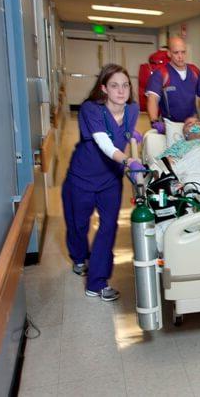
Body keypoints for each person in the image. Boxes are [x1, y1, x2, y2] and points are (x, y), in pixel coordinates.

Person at [62, 63, 143, 302]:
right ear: (104, 89)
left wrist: (132, 139)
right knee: (78, 224)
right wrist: (128, 160)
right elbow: (106, 144)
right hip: (82, 178)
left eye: (126, 85)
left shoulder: (133, 109)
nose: (121, 90)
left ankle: (97, 283)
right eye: (114, 85)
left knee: (108, 228)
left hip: (110, 179)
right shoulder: (90, 109)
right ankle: (79, 257)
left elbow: (124, 138)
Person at [145, 36, 200, 131]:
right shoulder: (161, 73)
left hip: (192, 125)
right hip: (169, 126)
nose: (180, 57)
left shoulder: (194, 71)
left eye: (183, 52)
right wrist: (154, 121)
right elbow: (153, 99)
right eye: (176, 53)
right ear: (169, 53)